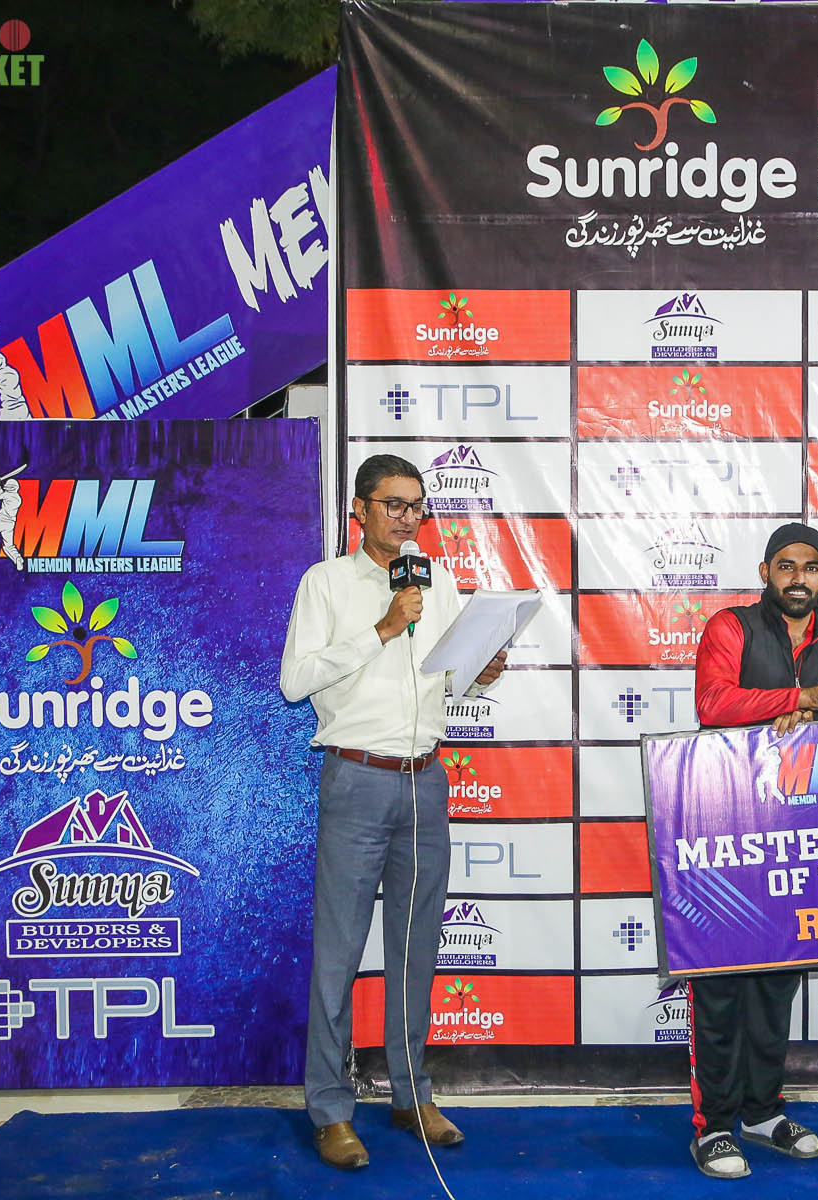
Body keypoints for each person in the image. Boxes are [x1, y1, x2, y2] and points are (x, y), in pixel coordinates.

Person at [280, 453, 506, 1171]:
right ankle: (330, 1109)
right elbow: (295, 681)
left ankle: (411, 1095)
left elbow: (449, 676)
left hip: (425, 778)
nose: (408, 518)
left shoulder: (437, 581)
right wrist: (380, 628)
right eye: (394, 504)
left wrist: (480, 671)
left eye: (417, 506)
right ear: (360, 509)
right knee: (338, 954)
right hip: (357, 778)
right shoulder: (325, 583)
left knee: (416, 948)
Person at [688, 521, 818, 1180]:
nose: (798, 577)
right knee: (721, 984)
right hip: (724, 827)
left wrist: (813, 716)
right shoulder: (731, 626)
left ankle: (762, 1111)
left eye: (810, 567)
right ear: (766, 572)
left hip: (798, 834)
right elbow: (713, 703)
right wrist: (797, 698)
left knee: (777, 980)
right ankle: (713, 1124)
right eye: (786, 565)